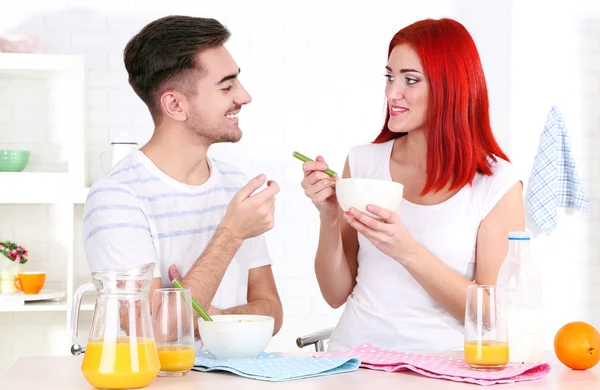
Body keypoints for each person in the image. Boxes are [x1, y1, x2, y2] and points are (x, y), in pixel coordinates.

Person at [300, 18, 525, 351]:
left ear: (451, 87)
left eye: (410, 80)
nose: (392, 92)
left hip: (443, 367)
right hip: (353, 359)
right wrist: (329, 216)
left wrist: (406, 250)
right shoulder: (363, 163)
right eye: (390, 77)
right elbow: (334, 295)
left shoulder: (496, 185)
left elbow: (492, 317)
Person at [83, 15, 283, 335]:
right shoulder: (116, 199)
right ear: (175, 105)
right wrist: (231, 233)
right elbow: (151, 332)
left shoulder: (235, 184)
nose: (244, 97)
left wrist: (206, 318)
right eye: (227, 85)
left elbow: (272, 311)